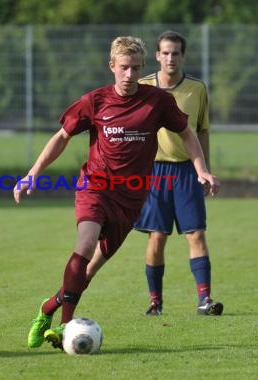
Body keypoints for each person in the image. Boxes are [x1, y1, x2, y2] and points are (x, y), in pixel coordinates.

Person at [15, 36, 220, 350]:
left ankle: (49, 307)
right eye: (124, 68)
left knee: (90, 268)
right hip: (95, 187)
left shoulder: (157, 101)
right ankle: (67, 326)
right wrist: (33, 174)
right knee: (84, 245)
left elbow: (187, 133)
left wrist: (201, 168)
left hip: (131, 199)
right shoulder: (95, 101)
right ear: (112, 66)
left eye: (135, 68)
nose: (129, 75)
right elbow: (61, 137)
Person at [134, 31, 223, 316]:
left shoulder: (197, 89)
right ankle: (155, 302)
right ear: (157, 56)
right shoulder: (142, 85)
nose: (170, 58)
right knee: (157, 237)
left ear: (183, 56)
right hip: (153, 172)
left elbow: (202, 130)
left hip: (187, 171)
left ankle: (204, 300)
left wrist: (204, 170)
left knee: (196, 234)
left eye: (176, 53)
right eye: (165, 53)